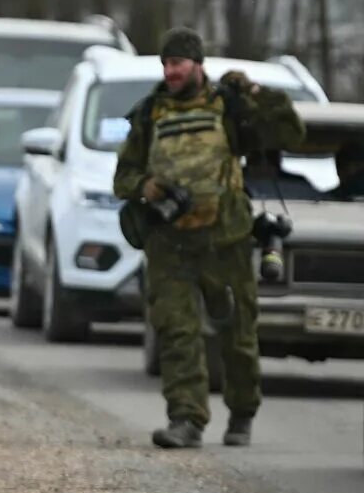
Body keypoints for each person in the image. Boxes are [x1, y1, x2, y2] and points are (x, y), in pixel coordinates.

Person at [113, 27, 304, 450]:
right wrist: (146, 188)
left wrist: (254, 90)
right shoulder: (149, 114)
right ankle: (186, 419)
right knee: (177, 332)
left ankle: (242, 413)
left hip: (226, 240)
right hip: (170, 242)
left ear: (198, 64)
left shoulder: (229, 107)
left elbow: (289, 133)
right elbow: (123, 176)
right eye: (165, 64)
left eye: (178, 63)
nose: (171, 71)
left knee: (237, 333)